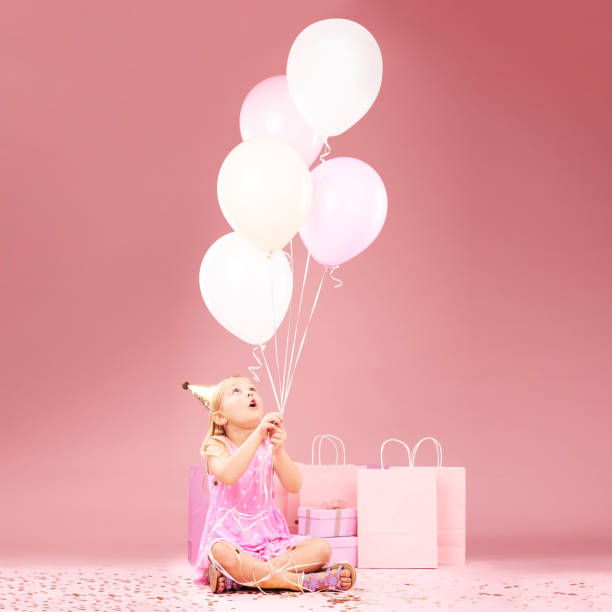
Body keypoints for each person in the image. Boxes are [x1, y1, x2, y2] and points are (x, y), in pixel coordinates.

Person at [183, 375, 356, 593]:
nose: (249, 393)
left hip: (269, 537)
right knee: (220, 552)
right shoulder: (216, 446)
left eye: (252, 389)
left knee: (321, 549)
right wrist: (256, 436)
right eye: (236, 391)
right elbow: (228, 474)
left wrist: (280, 450)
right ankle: (302, 582)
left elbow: (295, 485)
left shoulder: (268, 446)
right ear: (219, 418)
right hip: (231, 538)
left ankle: (243, 579)